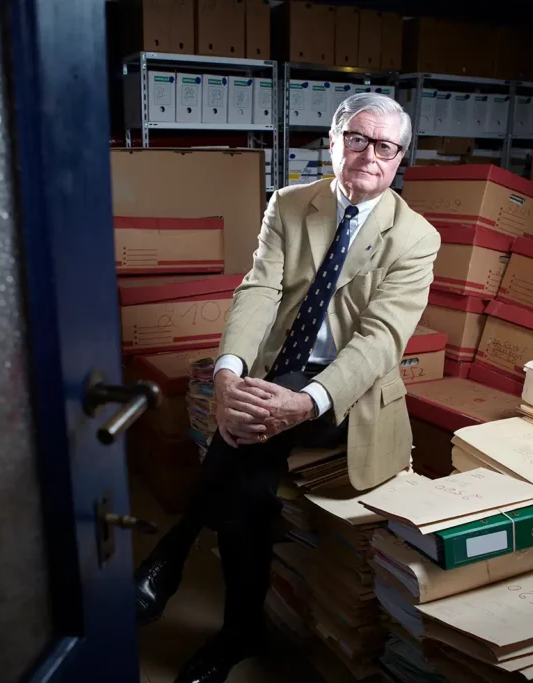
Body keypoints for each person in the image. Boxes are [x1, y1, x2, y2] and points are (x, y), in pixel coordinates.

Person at [133, 93, 441, 683]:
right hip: (275, 378)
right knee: (247, 489)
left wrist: (304, 400)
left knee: (249, 434)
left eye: (385, 146)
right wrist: (228, 374)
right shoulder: (290, 204)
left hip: (345, 397)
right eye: (357, 139)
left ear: (400, 158)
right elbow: (260, 290)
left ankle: (173, 550)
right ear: (333, 142)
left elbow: (380, 340)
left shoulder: (416, 237)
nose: (369, 156)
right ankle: (238, 630)